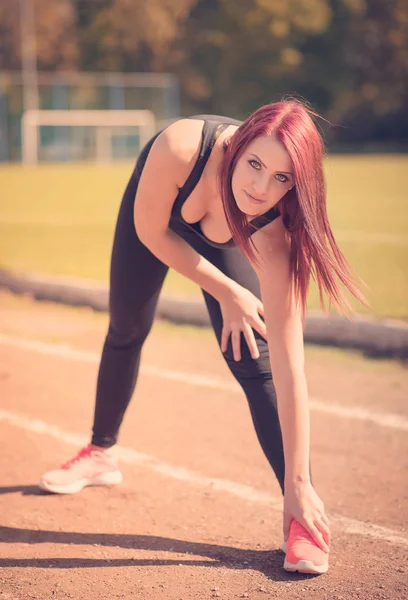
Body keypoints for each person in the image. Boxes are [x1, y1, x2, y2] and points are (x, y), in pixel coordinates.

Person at [39, 99, 365, 574]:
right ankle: (99, 453)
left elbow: (291, 366)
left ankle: (299, 514)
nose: (260, 187)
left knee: (257, 357)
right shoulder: (180, 149)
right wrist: (227, 291)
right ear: (239, 148)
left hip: (225, 238)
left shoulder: (276, 231)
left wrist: (299, 482)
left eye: (282, 178)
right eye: (255, 164)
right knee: (127, 325)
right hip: (156, 218)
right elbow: (152, 233)